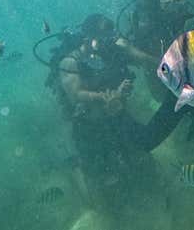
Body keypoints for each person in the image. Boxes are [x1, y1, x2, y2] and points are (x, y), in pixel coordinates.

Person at [46, 13, 181, 211]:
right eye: (103, 33)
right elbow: (75, 94)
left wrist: (176, 67)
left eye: (110, 31)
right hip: (88, 127)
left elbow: (143, 59)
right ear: (89, 37)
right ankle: (78, 169)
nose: (110, 37)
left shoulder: (115, 47)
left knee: (142, 157)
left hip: (116, 116)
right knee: (101, 185)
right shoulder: (71, 61)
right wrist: (107, 97)